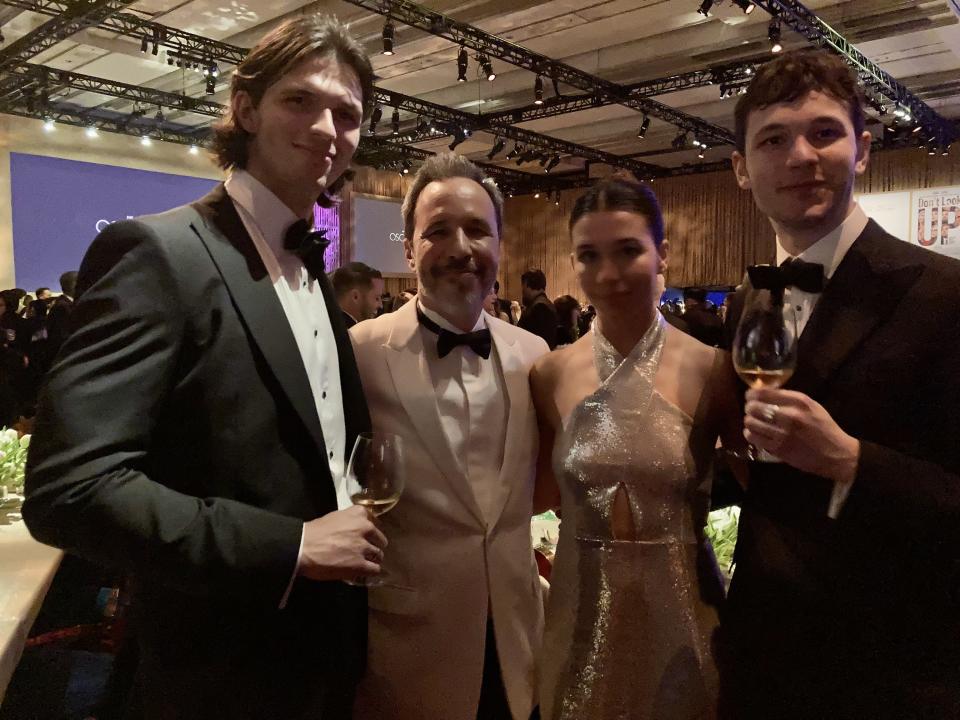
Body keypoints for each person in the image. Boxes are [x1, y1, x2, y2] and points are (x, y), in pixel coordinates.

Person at [23, 16, 386, 720]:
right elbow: (70, 489)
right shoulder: (159, 254)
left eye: (348, 114)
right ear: (246, 109)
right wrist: (293, 545)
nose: (327, 128)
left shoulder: (316, 274)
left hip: (326, 658)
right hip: (213, 673)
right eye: (300, 101)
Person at [723, 48, 960, 719]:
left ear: (861, 152)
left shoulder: (945, 296)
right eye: (773, 139)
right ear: (742, 169)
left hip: (887, 672)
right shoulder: (749, 302)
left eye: (824, 132)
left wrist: (851, 462)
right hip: (762, 658)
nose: (801, 156)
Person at [531, 178, 744, 720]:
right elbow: (531, 494)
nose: (608, 275)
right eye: (588, 255)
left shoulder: (713, 369)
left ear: (662, 253)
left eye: (628, 250)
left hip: (684, 619)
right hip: (578, 620)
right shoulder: (549, 373)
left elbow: (763, 487)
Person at [351, 153, 548, 720]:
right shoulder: (360, 351)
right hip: (407, 647)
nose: (461, 247)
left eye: (478, 229)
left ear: (500, 245)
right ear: (410, 249)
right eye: (438, 231)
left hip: (517, 645)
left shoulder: (534, 356)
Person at [330, 261, 383, 328]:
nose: (381, 305)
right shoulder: (349, 333)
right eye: (377, 298)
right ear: (355, 297)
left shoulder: (331, 320)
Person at [518, 269, 558, 349]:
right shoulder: (544, 304)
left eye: (523, 286)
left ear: (527, 285)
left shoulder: (540, 307)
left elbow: (539, 344)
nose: (522, 291)